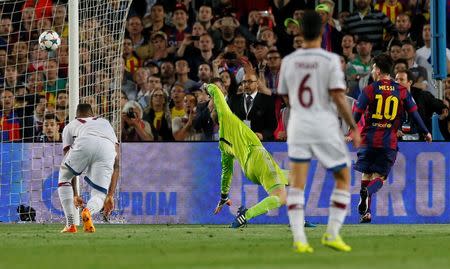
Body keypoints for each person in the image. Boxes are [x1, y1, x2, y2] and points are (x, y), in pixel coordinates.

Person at [277, 11, 361, 254]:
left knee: (298, 183)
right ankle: (332, 233)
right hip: (323, 124)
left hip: (298, 124)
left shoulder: (289, 61)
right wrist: (353, 127)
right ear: (323, 31)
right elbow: (337, 95)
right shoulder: (330, 61)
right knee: (343, 177)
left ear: (300, 33)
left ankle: (300, 239)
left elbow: (285, 95)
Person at [353, 54, 432, 224]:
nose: (373, 71)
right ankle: (366, 199)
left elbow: (357, 113)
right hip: (388, 141)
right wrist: (425, 131)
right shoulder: (401, 90)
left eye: (374, 68)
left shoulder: (370, 89)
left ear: (379, 70)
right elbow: (414, 113)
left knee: (367, 174)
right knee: (379, 177)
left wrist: (350, 130)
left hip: (368, 140)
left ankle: (366, 212)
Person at [58, 104, 120, 233]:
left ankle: (70, 224)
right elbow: (117, 163)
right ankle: (88, 211)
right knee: (99, 194)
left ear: (76, 115)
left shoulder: (70, 126)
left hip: (85, 141)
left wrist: (75, 194)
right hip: (107, 149)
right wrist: (110, 195)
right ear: (93, 114)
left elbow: (69, 162)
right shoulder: (105, 123)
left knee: (64, 177)